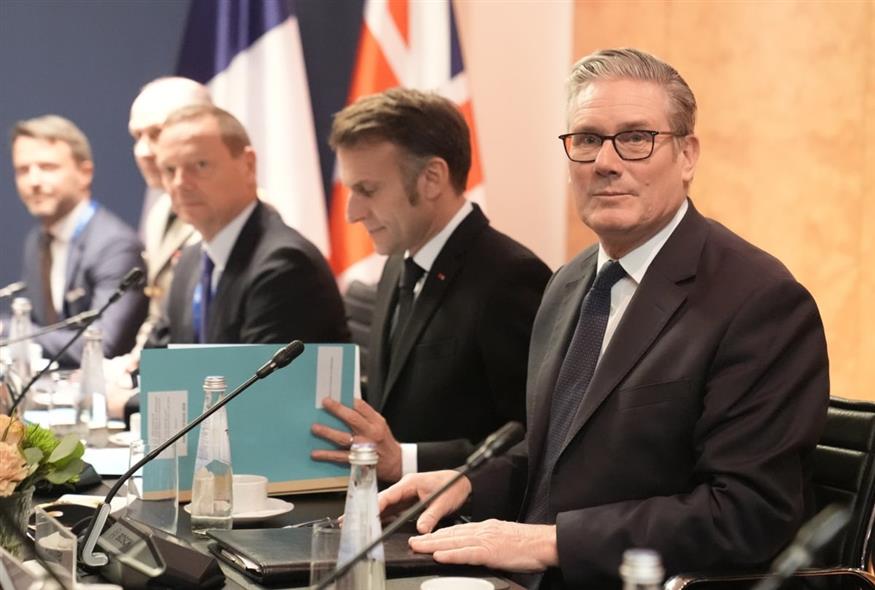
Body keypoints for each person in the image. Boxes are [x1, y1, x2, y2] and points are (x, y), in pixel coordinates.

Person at [377, 48, 829, 588]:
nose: (606, 163)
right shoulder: (567, 283)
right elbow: (558, 458)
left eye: (636, 139)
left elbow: (748, 514)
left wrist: (549, 542)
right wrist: (467, 484)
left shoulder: (759, 301)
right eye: (587, 139)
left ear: (687, 156)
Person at [310, 88, 551, 483]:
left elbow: (534, 440)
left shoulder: (510, 277)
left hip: (466, 516)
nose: (352, 213)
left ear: (432, 178)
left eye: (367, 190)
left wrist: (405, 461)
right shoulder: (396, 263)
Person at [144, 104, 349, 347]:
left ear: (248, 165)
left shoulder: (283, 265)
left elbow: (261, 372)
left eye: (200, 165)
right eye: (169, 170)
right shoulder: (190, 261)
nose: (180, 183)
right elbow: (155, 358)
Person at [11, 115, 148, 366]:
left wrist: (11, 333)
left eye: (47, 167)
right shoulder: (37, 241)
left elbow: (103, 343)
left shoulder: (115, 245)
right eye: (23, 170)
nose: (34, 181)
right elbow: (41, 326)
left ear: (85, 173)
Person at [128, 77, 208, 348]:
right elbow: (158, 314)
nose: (143, 151)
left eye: (156, 133)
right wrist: (136, 362)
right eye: (137, 136)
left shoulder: (235, 214)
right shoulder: (160, 211)